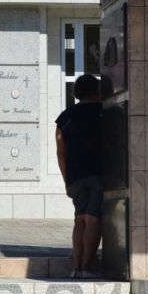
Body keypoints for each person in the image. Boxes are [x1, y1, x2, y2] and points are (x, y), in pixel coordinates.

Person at [55, 74, 105, 279]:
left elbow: (61, 151)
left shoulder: (64, 117)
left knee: (80, 219)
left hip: (75, 176)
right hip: (98, 174)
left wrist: (66, 180)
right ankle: (87, 267)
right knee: (93, 219)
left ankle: (76, 268)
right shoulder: (104, 112)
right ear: (96, 91)